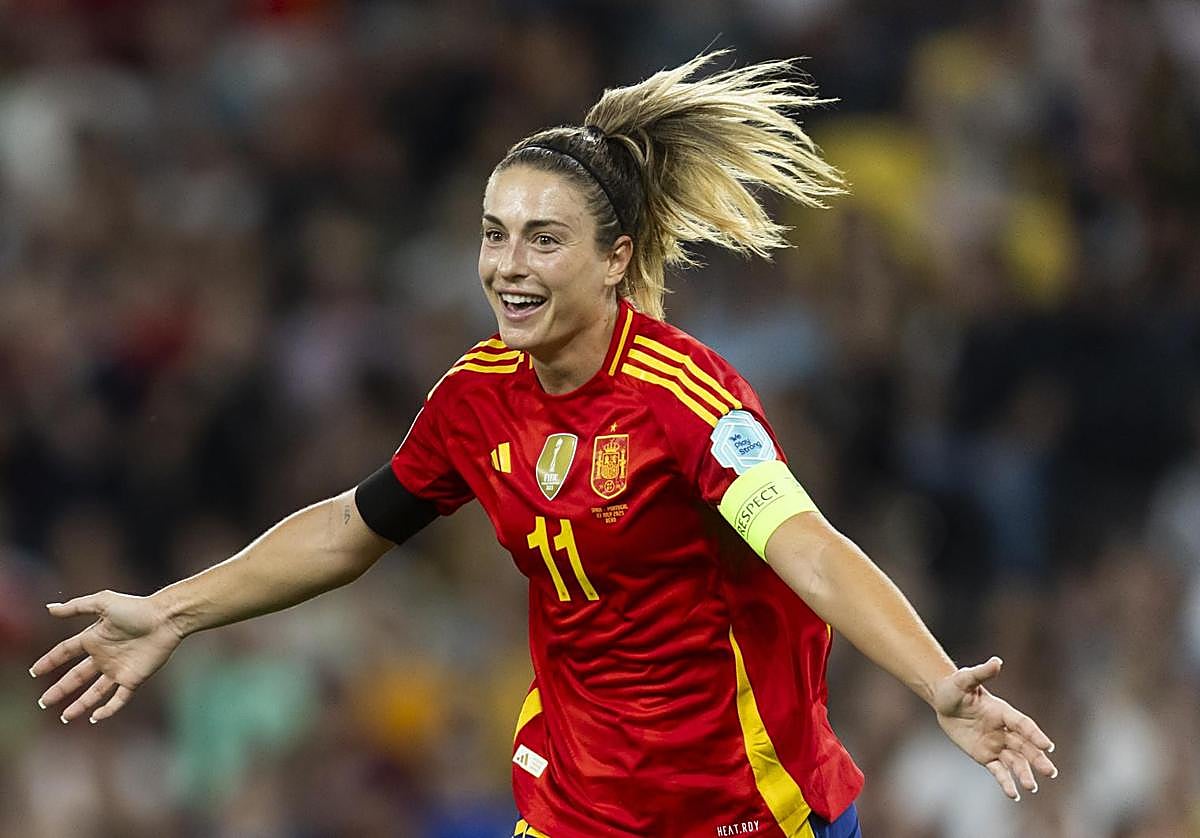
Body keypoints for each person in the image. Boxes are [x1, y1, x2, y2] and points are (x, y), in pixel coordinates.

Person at [30, 52, 1057, 837]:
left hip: (745, 807)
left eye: (544, 238)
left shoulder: (685, 400)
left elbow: (811, 550)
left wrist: (936, 683)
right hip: (575, 808)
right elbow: (350, 528)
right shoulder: (475, 400)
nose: (507, 265)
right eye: (494, 233)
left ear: (616, 259)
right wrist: (171, 610)